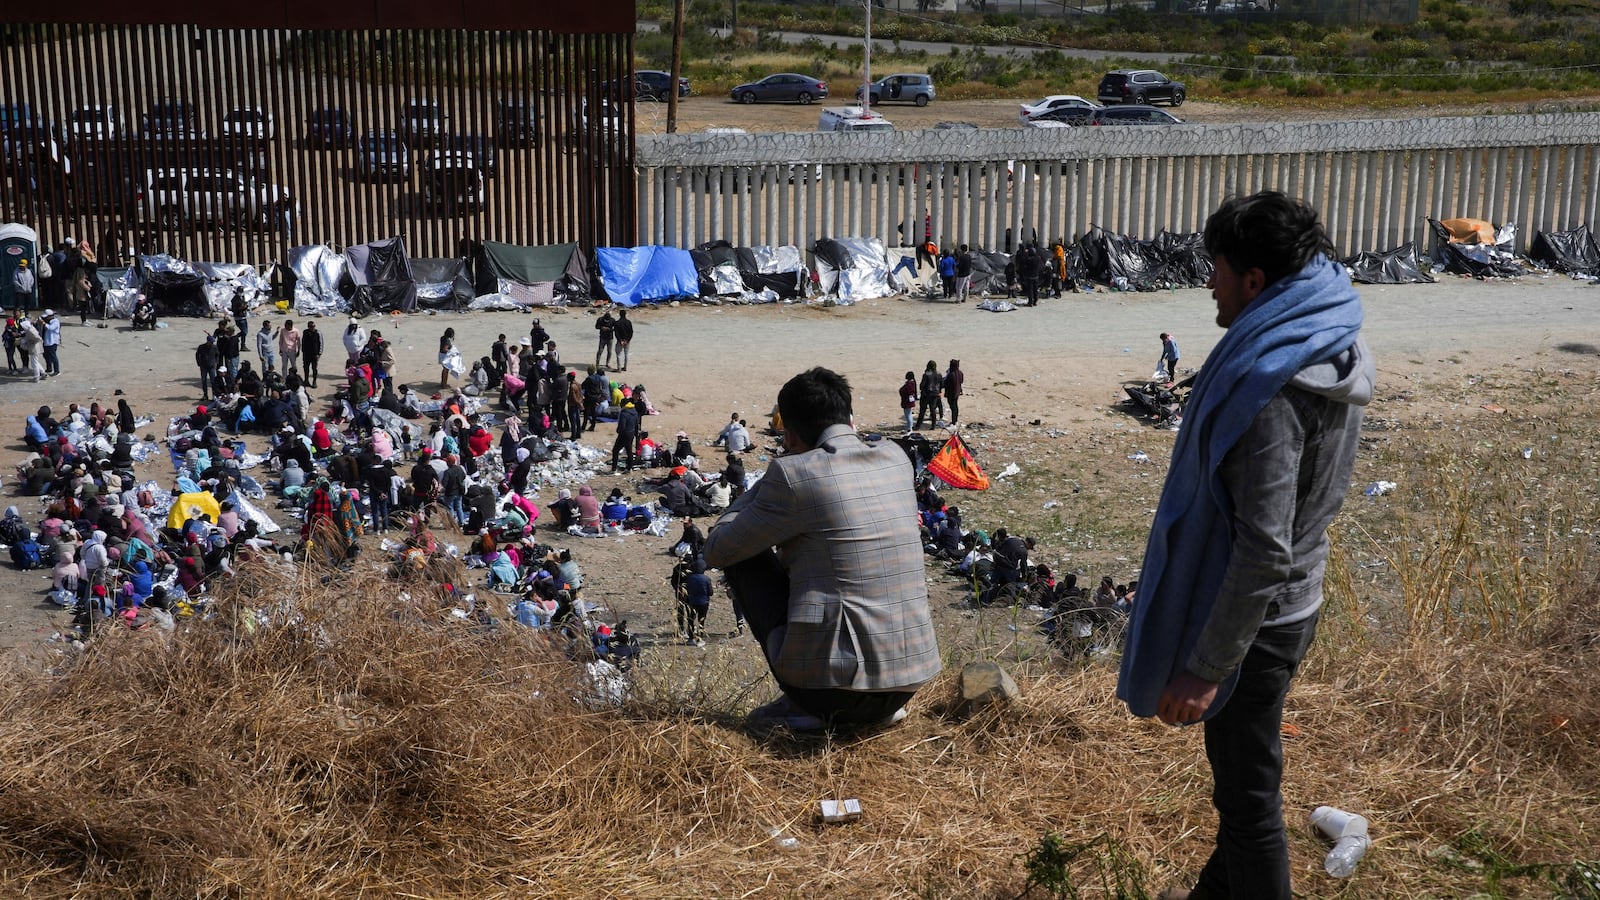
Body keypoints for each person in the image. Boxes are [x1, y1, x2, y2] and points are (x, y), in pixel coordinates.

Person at [1117, 191, 1375, 900]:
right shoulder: (1330, 333)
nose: (1208, 283)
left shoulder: (1272, 389)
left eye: (1217, 269)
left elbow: (1263, 550)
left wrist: (1205, 667)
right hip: (1295, 603)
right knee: (1243, 783)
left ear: (1255, 281)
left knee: (1248, 804)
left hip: (1257, 624)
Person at [703, 367, 941, 731]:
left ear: (791, 435)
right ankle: (859, 707)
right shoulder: (896, 457)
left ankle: (804, 706)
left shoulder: (792, 475)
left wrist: (766, 481)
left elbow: (718, 549)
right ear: (849, 417)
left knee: (742, 553)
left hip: (833, 691)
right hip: (910, 678)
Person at [915, 360, 944, 430]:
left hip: (926, 394)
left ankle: (918, 426)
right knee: (933, 410)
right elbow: (942, 385)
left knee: (922, 411)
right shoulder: (939, 374)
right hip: (935, 394)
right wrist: (938, 391)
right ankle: (933, 426)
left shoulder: (926, 374)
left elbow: (922, 385)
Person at [942, 359, 964, 427]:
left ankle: (954, 422)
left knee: (953, 407)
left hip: (951, 393)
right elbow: (961, 381)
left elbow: (945, 384)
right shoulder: (960, 373)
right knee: (955, 406)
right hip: (957, 392)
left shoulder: (951, 374)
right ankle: (955, 420)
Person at [302, 320, 322, 387]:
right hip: (306, 354)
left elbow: (321, 343)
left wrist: (319, 354)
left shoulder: (318, 333)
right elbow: (303, 342)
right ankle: (306, 380)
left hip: (314, 355)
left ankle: (314, 381)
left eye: (313, 326)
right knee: (306, 368)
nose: (312, 328)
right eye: (310, 327)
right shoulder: (305, 332)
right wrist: (303, 351)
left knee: (314, 369)